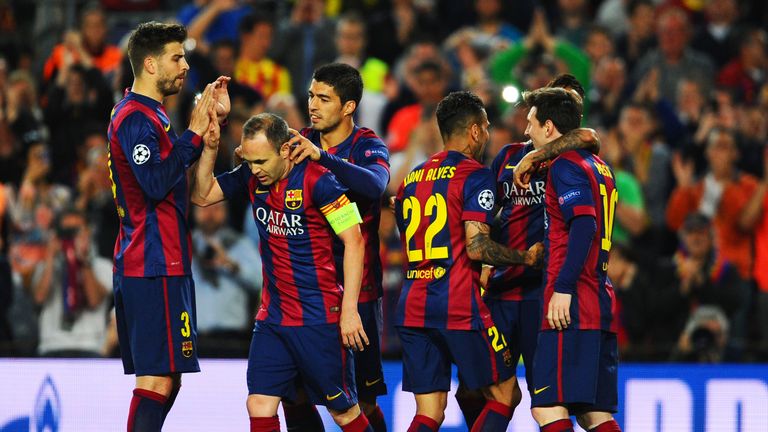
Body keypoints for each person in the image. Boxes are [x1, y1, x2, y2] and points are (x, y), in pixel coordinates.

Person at [192, 112, 374, 432]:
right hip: (273, 318)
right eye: (249, 162)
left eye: (261, 161)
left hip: (319, 318)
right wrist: (209, 150)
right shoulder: (253, 175)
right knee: (259, 404)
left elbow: (355, 241)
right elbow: (202, 195)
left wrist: (349, 312)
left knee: (343, 413)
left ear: (286, 151)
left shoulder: (320, 181)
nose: (255, 170)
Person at [394, 90, 543, 432]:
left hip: (414, 305)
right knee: (506, 395)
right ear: (475, 131)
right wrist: (525, 257)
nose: (488, 135)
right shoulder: (475, 176)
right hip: (458, 305)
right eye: (486, 127)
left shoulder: (411, 180)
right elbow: (477, 247)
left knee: (430, 411)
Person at [456, 75, 600, 428]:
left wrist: (538, 155)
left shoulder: (574, 163)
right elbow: (487, 214)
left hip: (543, 296)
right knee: (472, 390)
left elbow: (590, 137)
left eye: (573, 103)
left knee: (547, 398)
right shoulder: (506, 156)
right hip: (502, 293)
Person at [107, 21, 229, 431]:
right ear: (149, 63)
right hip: (151, 262)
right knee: (157, 378)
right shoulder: (135, 119)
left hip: (164, 261)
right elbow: (156, 182)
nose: (185, 64)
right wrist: (193, 134)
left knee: (168, 378)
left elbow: (184, 185)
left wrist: (206, 140)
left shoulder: (152, 115)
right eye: (176, 57)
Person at [283, 62, 390, 431]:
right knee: (292, 392)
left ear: (348, 107)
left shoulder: (368, 145)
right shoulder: (297, 139)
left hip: (359, 292)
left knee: (361, 399)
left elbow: (375, 186)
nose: (313, 104)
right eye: (312, 95)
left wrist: (322, 157)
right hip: (307, 292)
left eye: (324, 98)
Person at [520, 87, 621, 432]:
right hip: (598, 301)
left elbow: (584, 225)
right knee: (594, 415)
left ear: (549, 128)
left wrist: (562, 287)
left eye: (531, 122)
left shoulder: (566, 165)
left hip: (571, 304)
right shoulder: (600, 166)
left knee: (547, 408)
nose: (526, 131)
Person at [31, 207, 112, 357]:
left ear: (88, 232)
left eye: (76, 231)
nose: (71, 236)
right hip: (52, 344)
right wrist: (49, 257)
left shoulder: (102, 266)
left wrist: (84, 260)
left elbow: (94, 300)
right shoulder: (47, 266)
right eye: (66, 231)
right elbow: (39, 298)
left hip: (90, 345)